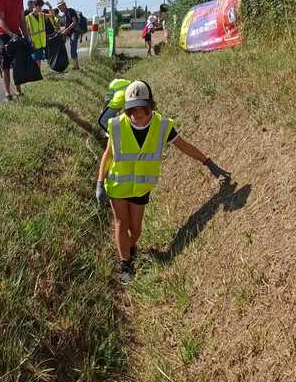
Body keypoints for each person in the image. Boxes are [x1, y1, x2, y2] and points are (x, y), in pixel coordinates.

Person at [96, 80, 231, 284]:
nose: (135, 117)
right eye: (131, 112)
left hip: (141, 187)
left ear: (150, 108)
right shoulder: (116, 125)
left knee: (136, 229)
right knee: (121, 223)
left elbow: (185, 146)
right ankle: (125, 264)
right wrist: (99, 183)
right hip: (117, 185)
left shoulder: (162, 126)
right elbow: (108, 155)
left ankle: (130, 247)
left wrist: (209, 163)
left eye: (140, 112)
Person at [0, 0, 34, 101]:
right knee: (5, 65)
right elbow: (0, 19)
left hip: (16, 34)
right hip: (3, 34)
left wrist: (26, 37)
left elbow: (22, 20)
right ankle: (7, 93)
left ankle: (18, 91)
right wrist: (10, 34)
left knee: (18, 63)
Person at [57, 0, 80, 70]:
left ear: (64, 5)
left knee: (73, 48)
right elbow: (67, 25)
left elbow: (74, 22)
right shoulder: (65, 14)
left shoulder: (70, 11)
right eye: (58, 7)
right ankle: (74, 65)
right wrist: (62, 31)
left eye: (60, 6)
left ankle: (76, 66)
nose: (59, 8)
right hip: (70, 33)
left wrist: (66, 30)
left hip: (74, 32)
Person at [25, 0, 47, 67]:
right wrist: (30, 41)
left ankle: (38, 75)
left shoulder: (41, 15)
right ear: (34, 6)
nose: (41, 8)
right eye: (39, 6)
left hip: (41, 42)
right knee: (35, 60)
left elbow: (52, 15)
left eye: (41, 7)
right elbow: (27, 31)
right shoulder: (28, 17)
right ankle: (36, 75)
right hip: (34, 43)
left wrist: (50, 6)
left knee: (38, 60)